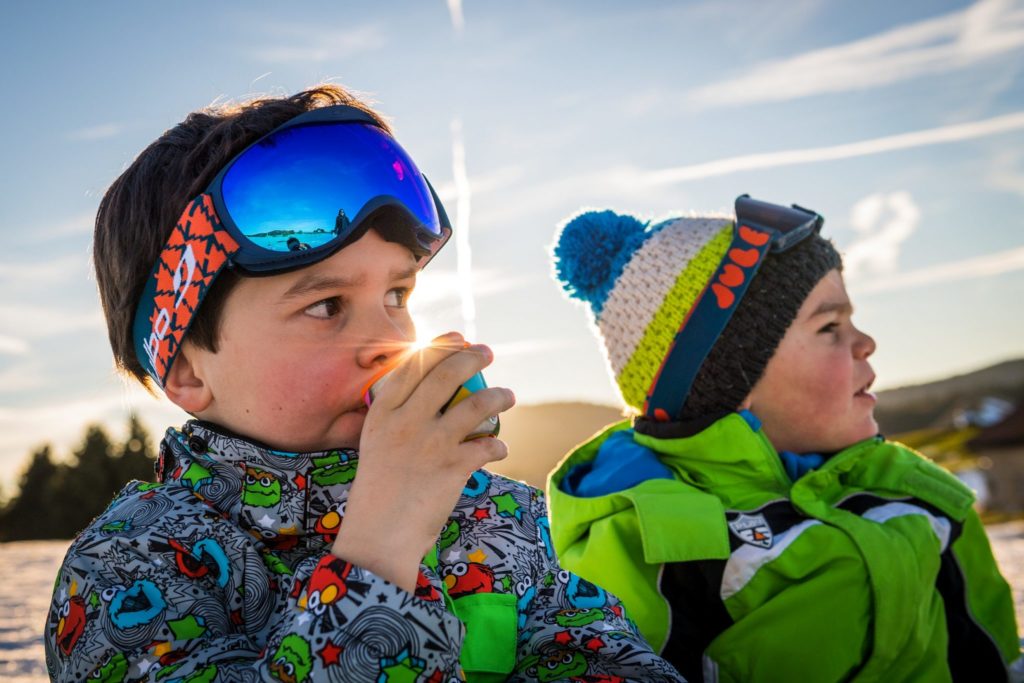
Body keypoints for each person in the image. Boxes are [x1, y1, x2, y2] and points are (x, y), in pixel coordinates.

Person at [44, 86, 684, 682]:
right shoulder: (126, 568)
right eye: (325, 305)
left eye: (398, 294)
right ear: (187, 368)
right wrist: (381, 550)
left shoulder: (497, 518)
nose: (390, 343)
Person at [547, 196, 1022, 682]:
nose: (866, 343)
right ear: (731, 381)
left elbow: (995, 655)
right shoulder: (651, 539)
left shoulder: (914, 491)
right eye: (830, 327)